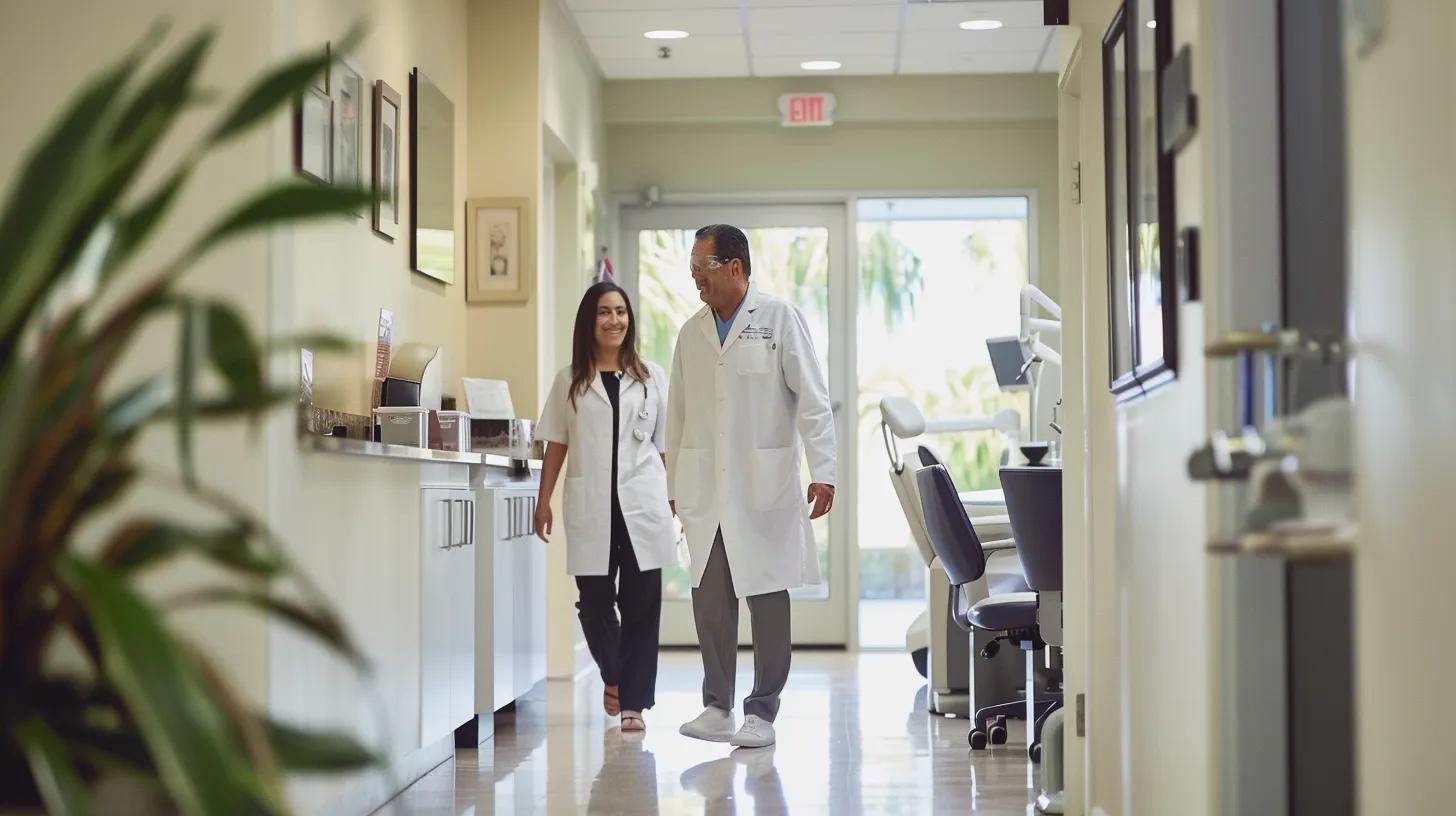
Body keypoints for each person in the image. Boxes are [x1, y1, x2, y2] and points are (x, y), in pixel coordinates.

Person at [667, 224, 837, 749]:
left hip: (763, 485)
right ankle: (717, 707)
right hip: (706, 488)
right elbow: (679, 413)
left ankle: (762, 711)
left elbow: (813, 400)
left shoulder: (780, 319)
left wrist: (823, 469)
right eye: (692, 269)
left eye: (704, 268)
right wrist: (676, 479)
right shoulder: (691, 332)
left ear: (735, 268)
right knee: (710, 599)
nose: (696, 279)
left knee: (766, 597)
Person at [535, 281, 675, 733]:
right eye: (604, 312)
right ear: (588, 322)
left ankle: (633, 702)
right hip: (592, 504)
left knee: (642, 603)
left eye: (621, 311)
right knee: (594, 603)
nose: (614, 320)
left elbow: (666, 446)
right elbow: (556, 444)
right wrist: (544, 502)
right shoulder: (570, 381)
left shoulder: (651, 377)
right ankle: (615, 674)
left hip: (643, 503)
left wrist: (678, 497)